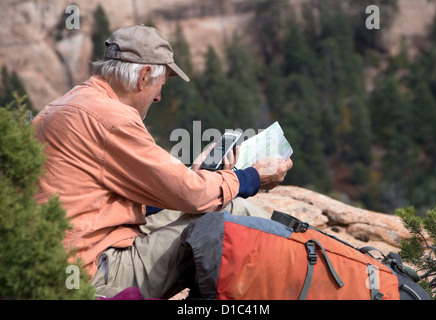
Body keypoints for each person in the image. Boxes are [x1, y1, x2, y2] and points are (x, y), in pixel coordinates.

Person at [33, 25, 293, 299]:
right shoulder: (113, 119)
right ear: (144, 76)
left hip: (56, 265)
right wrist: (250, 177)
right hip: (90, 274)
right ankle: (314, 261)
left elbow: (100, 194)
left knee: (208, 205)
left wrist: (191, 180)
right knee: (231, 215)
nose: (159, 97)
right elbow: (193, 196)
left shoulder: (63, 106)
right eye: (160, 85)